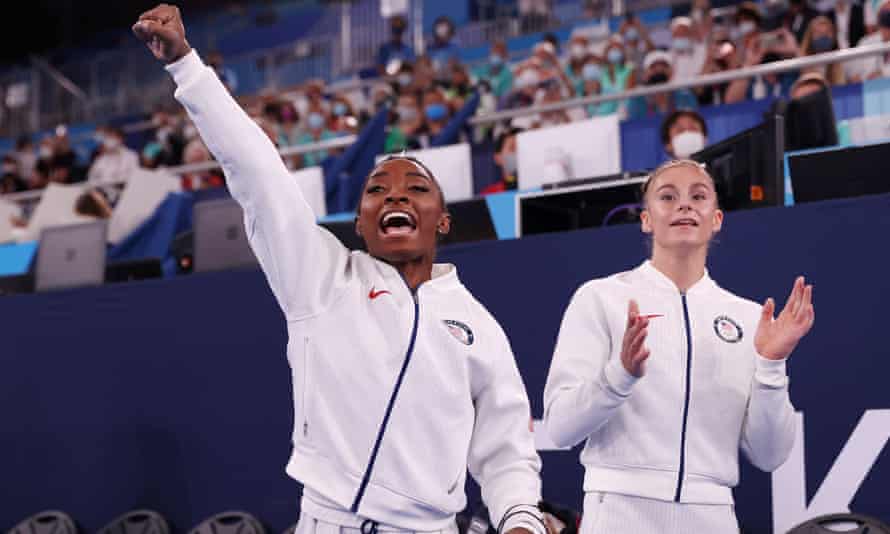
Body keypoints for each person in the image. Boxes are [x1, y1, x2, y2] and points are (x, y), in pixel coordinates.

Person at [134, 10, 547, 534]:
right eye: (378, 189)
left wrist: (521, 520)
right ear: (360, 221)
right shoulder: (320, 279)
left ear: (442, 220)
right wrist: (187, 68)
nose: (395, 193)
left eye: (415, 189)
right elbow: (259, 174)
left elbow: (507, 450)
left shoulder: (478, 327)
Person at [543, 159, 813, 533]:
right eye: (667, 197)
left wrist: (771, 365)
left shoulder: (751, 319)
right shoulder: (601, 298)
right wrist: (618, 376)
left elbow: (770, 455)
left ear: (716, 219)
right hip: (619, 513)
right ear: (646, 219)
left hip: (713, 516)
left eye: (698, 196)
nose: (684, 205)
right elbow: (559, 427)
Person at [626, 51, 698, 120]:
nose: (659, 69)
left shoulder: (684, 95)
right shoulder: (637, 99)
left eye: (664, 66)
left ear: (672, 71)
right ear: (645, 73)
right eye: (653, 66)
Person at [849, 0, 890, 82]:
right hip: (869, 91)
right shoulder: (865, 43)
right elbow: (854, 75)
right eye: (885, 10)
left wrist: (882, 74)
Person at [800, 16, 846, 85]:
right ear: (810, 37)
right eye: (819, 33)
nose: (823, 36)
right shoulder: (800, 62)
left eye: (827, 33)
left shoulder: (843, 58)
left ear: (834, 36)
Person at [670, 17, 708, 82]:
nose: (681, 36)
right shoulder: (668, 56)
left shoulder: (702, 50)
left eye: (684, 32)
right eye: (678, 34)